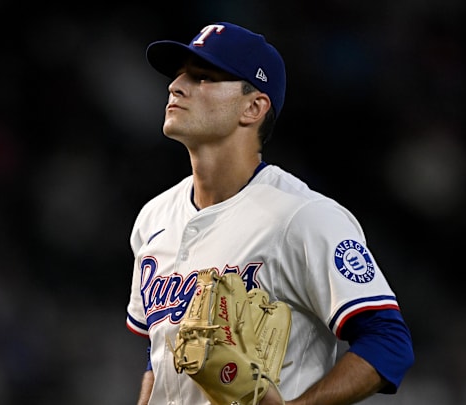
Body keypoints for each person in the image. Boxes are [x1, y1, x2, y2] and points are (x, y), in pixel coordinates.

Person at [125, 21, 414, 405]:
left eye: (203, 77)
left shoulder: (304, 217)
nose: (176, 86)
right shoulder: (153, 219)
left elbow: (389, 342)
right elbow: (158, 354)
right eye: (179, 75)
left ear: (253, 107)